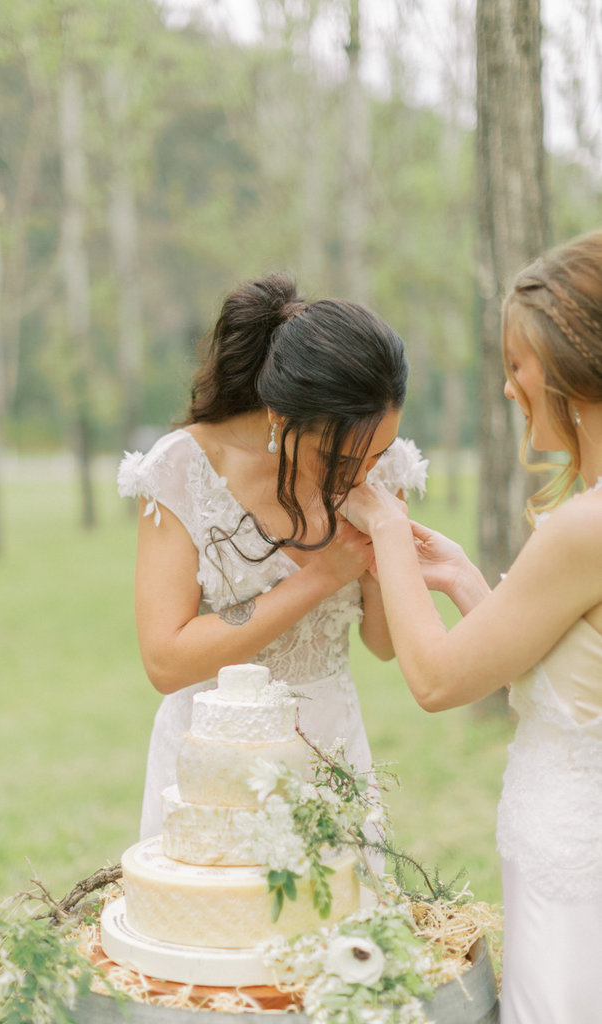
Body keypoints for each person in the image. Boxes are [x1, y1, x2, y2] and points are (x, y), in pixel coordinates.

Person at [342, 229, 602, 1024]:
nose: (507, 387)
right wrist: (458, 576)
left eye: (515, 365)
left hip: (572, 878)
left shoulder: (580, 531)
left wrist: (384, 525)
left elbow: (434, 679)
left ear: (565, 367)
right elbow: (572, 680)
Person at [118, 272, 427, 842]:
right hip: (214, 769)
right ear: (282, 420)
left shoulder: (382, 469)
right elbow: (166, 661)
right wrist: (321, 579)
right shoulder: (182, 470)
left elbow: (383, 645)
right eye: (338, 457)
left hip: (333, 755)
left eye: (376, 451)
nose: (363, 473)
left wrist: (386, 550)